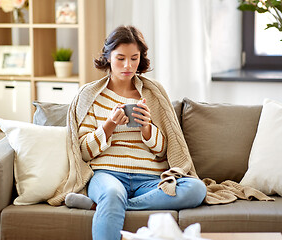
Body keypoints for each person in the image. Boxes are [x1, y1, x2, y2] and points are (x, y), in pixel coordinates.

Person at [63, 25, 207, 240]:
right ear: (108, 57)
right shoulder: (90, 96)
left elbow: (164, 151)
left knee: (196, 189)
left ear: (141, 58)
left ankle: (102, 205)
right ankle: (109, 200)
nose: (128, 65)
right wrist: (109, 125)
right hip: (107, 175)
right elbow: (83, 152)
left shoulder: (153, 93)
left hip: (149, 179)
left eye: (134, 58)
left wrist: (147, 128)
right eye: (120, 58)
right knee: (112, 193)